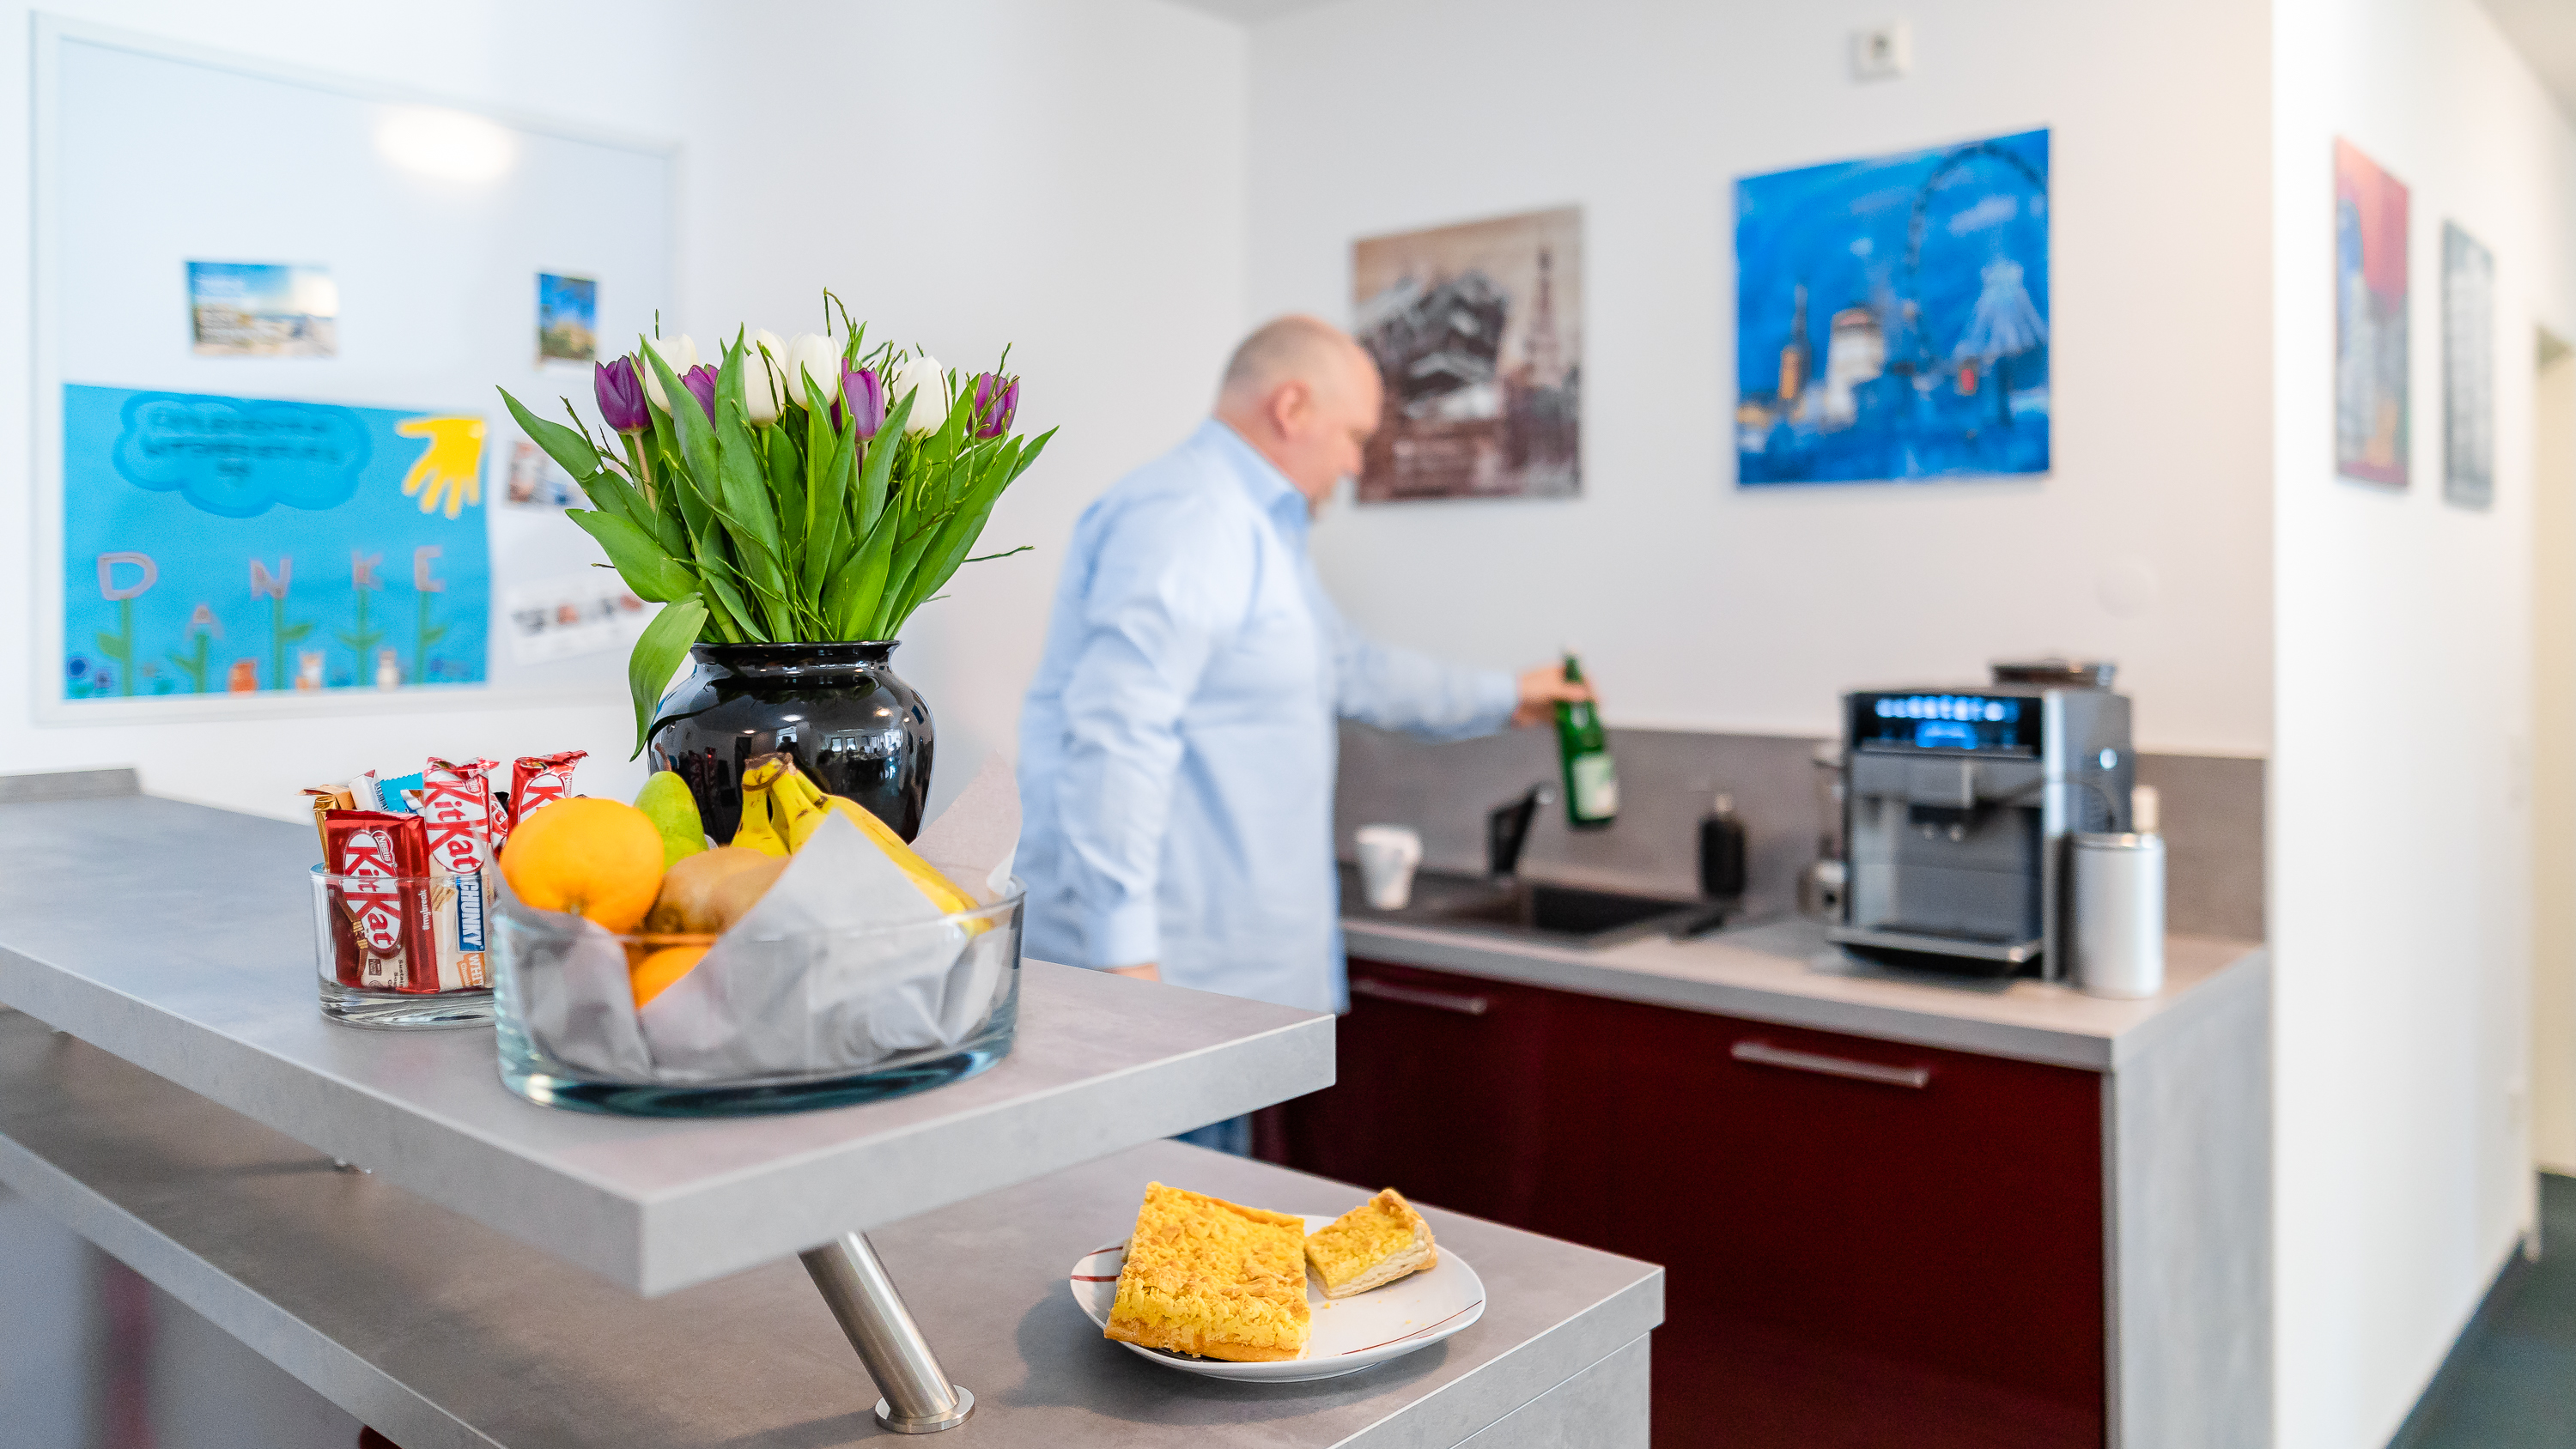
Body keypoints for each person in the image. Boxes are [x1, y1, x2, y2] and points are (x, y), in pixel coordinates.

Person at [1016, 315, 1589, 1155]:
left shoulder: (1256, 530)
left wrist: (1508, 696)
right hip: (1168, 988)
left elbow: (1351, 669)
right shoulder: (1190, 518)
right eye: (1355, 436)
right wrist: (1126, 963)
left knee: (1207, 1228)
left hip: (1214, 994)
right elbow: (1117, 736)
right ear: (1291, 407)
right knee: (1159, 1232)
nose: (1357, 464)